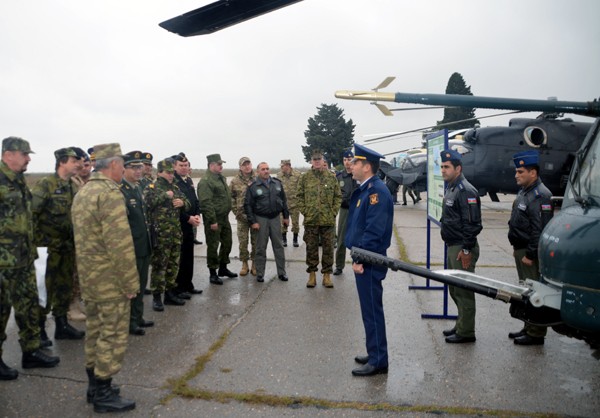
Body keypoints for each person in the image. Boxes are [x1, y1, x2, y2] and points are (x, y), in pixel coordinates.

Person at [71, 142, 138, 412]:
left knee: (96, 332)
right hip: (110, 280)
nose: (123, 169)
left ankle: (95, 385)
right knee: (112, 334)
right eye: (122, 164)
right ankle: (103, 392)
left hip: (90, 277)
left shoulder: (85, 191)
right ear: (112, 165)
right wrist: (130, 283)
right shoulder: (109, 193)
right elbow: (119, 244)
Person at [0, 137, 60, 380]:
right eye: (25, 154)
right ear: (9, 154)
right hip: (3, 263)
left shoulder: (19, 181)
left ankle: (31, 351)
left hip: (23, 258)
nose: (29, 158)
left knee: (28, 306)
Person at [345, 144, 394, 377]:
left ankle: (378, 360)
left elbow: (373, 233)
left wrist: (360, 258)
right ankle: (374, 351)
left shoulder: (377, 193)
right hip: (365, 257)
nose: (351, 165)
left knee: (372, 311)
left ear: (366, 167)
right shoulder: (367, 189)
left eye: (355, 162)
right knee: (369, 310)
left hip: (369, 260)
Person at [31, 147, 85, 342]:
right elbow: (32, 215)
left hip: (67, 248)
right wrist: (38, 244)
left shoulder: (71, 185)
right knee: (44, 291)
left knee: (64, 288)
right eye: (74, 160)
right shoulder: (46, 185)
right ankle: (39, 331)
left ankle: (61, 325)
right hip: (47, 250)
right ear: (62, 162)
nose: (78, 163)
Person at [507, 150, 554, 346]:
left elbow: (540, 229)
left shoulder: (540, 195)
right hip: (521, 249)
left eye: (521, 172)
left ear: (532, 173)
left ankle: (536, 333)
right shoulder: (525, 191)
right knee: (526, 291)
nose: (516, 175)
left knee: (535, 291)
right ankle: (528, 326)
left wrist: (530, 254)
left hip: (528, 253)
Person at [439, 149, 483, 344]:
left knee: (464, 290)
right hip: (452, 246)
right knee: (455, 289)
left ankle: (466, 332)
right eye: (441, 167)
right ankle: (461, 324)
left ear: (458, 168)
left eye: (447, 167)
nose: (443, 170)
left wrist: (466, 250)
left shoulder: (466, 191)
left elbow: (473, 224)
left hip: (462, 248)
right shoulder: (452, 187)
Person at [144, 159, 190, 311]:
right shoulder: (152, 187)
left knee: (173, 265)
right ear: (159, 173)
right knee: (159, 266)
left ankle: (169, 294)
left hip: (175, 233)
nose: (171, 175)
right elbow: (147, 204)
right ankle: (157, 296)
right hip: (160, 235)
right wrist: (165, 196)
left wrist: (182, 203)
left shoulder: (175, 187)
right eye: (168, 172)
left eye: (172, 172)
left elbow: (187, 202)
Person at [120, 151, 154, 336]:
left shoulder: (138, 188)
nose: (139, 171)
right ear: (124, 169)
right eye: (134, 167)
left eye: (140, 167)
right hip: (131, 247)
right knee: (131, 287)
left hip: (143, 245)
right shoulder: (121, 190)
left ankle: (138, 316)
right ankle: (130, 322)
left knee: (141, 284)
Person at [297, 149, 342, 288]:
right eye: (314, 160)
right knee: (311, 248)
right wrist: (306, 212)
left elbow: (338, 196)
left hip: (328, 221)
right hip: (311, 221)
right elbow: (299, 196)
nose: (317, 162)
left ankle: (327, 275)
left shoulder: (331, 177)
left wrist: (333, 212)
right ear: (311, 161)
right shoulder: (305, 178)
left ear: (323, 161)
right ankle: (312, 275)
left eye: (319, 159)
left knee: (328, 249)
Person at [244, 162, 289, 282]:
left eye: (267, 169)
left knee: (278, 246)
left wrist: (286, 216)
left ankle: (281, 272)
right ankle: (260, 273)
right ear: (258, 171)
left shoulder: (277, 183)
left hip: (275, 218)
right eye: (263, 169)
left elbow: (283, 201)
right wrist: (253, 221)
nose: (266, 171)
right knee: (260, 248)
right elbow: (248, 205)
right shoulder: (253, 186)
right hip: (261, 219)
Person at [197, 153, 238, 285]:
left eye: (221, 164)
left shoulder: (220, 178)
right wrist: (212, 220)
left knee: (227, 243)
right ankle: (213, 273)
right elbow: (205, 202)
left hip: (224, 218)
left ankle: (223, 268)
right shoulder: (206, 181)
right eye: (219, 164)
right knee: (213, 246)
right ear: (211, 165)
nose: (221, 166)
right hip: (214, 219)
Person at [173, 153, 203, 297]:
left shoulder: (188, 180)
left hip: (191, 223)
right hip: (180, 224)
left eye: (186, 165)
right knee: (180, 258)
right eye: (181, 165)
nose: (184, 168)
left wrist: (197, 214)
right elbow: (174, 208)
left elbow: (195, 200)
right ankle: (179, 287)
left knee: (189, 256)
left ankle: (188, 284)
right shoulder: (173, 182)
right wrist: (188, 218)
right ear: (175, 166)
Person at [230, 157, 258, 276]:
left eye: (248, 164)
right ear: (240, 167)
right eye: (244, 165)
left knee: (256, 242)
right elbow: (230, 198)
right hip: (242, 217)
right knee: (243, 242)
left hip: (255, 217)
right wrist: (236, 211)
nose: (247, 166)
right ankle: (244, 264)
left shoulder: (257, 178)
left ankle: (255, 264)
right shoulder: (234, 181)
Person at [334, 150, 358, 276]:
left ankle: (358, 262)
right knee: (341, 240)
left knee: (357, 239)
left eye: (349, 160)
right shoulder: (339, 177)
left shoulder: (357, 175)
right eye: (344, 160)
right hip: (344, 210)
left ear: (353, 160)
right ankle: (339, 266)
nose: (347, 163)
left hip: (357, 210)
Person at [276, 159, 302, 247]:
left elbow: (301, 188)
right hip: (283, 204)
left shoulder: (297, 175)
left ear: (288, 166)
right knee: (282, 222)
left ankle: (295, 239)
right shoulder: (279, 175)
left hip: (295, 203)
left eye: (282, 166)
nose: (281, 168)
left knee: (295, 223)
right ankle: (284, 240)